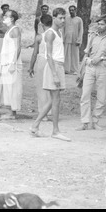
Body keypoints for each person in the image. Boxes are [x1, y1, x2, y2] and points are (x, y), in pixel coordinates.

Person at [30, 8, 71, 142]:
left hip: (59, 65)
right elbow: (49, 55)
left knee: (53, 99)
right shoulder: (50, 34)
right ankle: (55, 131)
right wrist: (54, 74)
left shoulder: (59, 32)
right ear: (54, 18)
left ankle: (36, 125)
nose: (63, 20)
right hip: (53, 66)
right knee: (55, 99)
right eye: (60, 18)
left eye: (64, 18)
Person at [77, 15, 106, 131]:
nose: (99, 26)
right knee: (85, 95)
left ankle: (95, 121)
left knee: (101, 97)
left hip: (103, 69)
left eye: (102, 24)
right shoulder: (92, 36)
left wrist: (103, 58)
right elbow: (86, 52)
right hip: (90, 67)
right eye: (98, 24)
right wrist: (82, 68)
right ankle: (85, 122)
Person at [0, 10, 23, 120]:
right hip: (5, 63)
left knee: (13, 88)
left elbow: (18, 47)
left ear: (12, 18)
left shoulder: (15, 30)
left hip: (12, 63)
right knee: (5, 88)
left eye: (6, 16)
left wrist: (13, 63)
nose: (4, 17)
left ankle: (12, 113)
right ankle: (4, 110)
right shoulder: (8, 30)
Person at [28, 14, 53, 121]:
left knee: (41, 87)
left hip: (43, 61)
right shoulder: (56, 35)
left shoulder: (39, 37)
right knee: (50, 87)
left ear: (42, 24)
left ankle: (44, 114)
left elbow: (34, 54)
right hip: (53, 61)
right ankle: (50, 111)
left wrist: (31, 67)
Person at [62, 5, 83, 75]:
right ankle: (66, 69)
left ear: (75, 10)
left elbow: (81, 30)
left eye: (72, 10)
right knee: (66, 54)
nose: (71, 11)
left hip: (75, 39)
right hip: (67, 39)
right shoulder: (66, 19)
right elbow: (63, 29)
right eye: (70, 10)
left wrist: (79, 40)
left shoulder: (79, 19)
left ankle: (74, 70)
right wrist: (62, 38)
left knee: (75, 55)